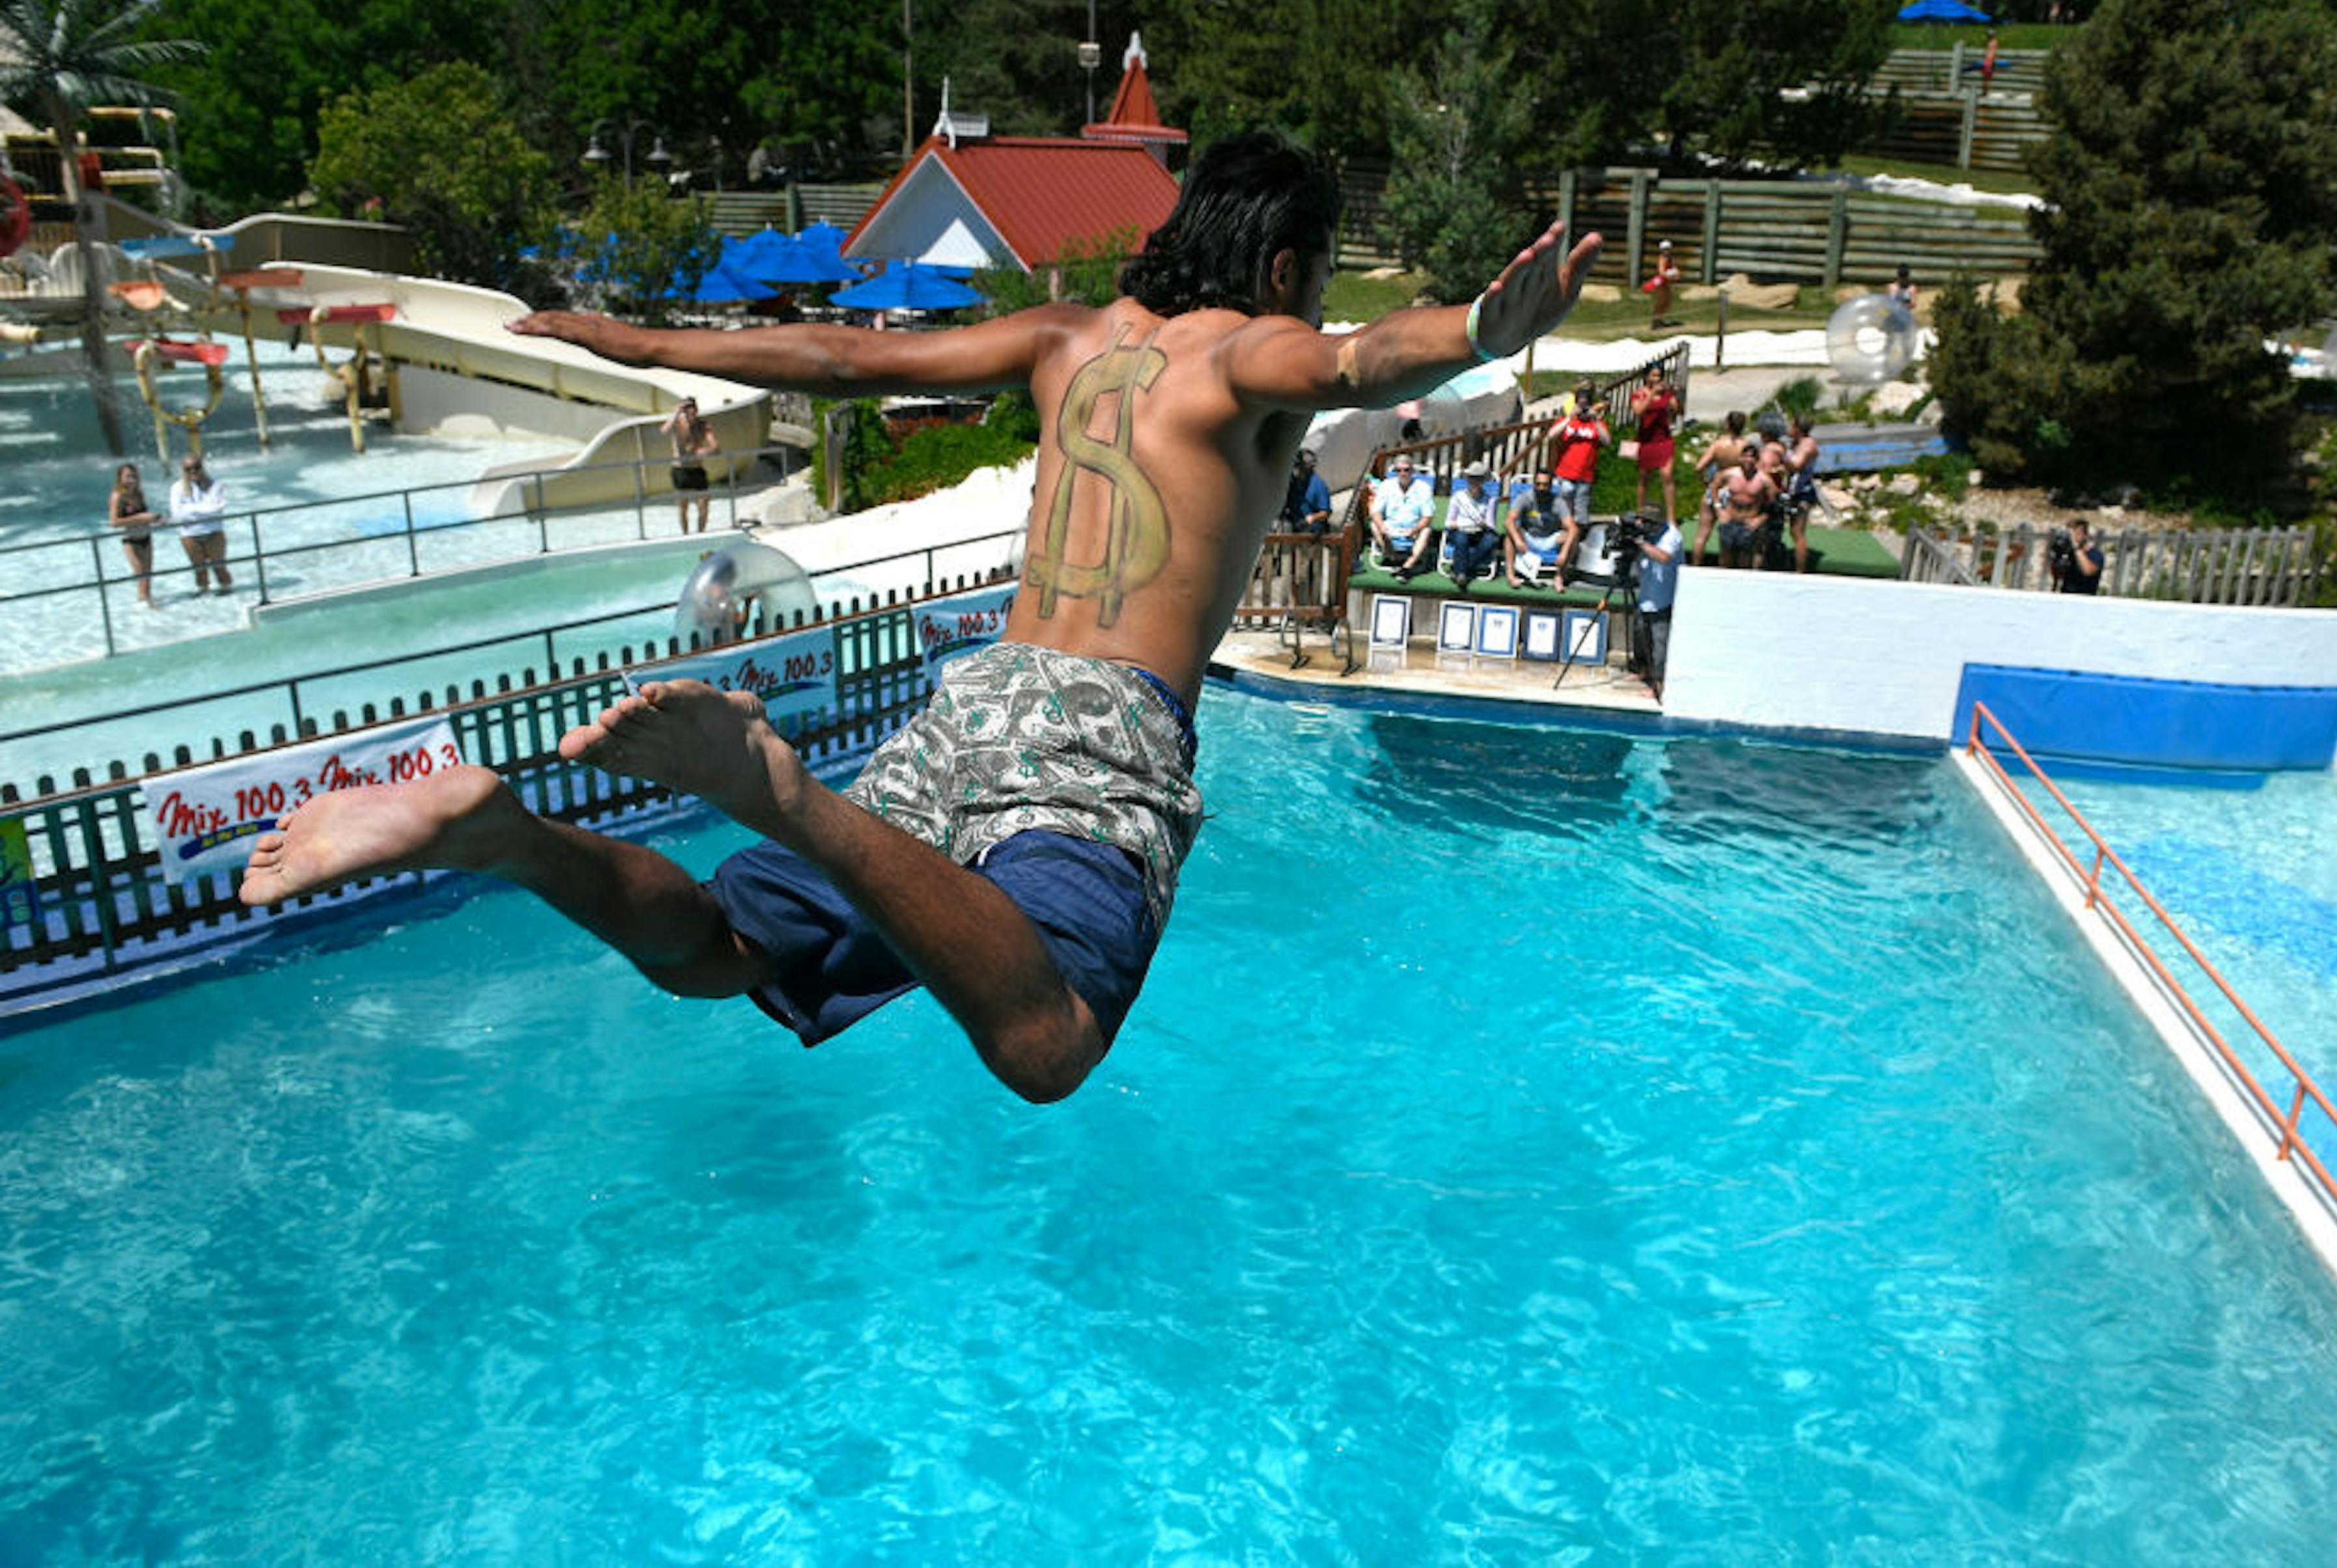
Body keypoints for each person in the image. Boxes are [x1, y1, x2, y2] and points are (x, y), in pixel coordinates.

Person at [235, 131, 1601, 1104]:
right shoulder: (1253, 351)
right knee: (1050, 1039)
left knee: (722, 953)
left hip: (975, 699)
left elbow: (841, 355)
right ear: (1287, 263)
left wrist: (637, 342)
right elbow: (1363, 360)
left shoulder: (1067, 333)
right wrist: (1488, 326)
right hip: (1102, 731)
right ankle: (778, 789)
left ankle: (505, 833)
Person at [1544, 379, 1607, 573]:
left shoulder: (1595, 423)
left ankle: (1569, 560)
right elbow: (1551, 436)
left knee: (1579, 521)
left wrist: (1595, 420)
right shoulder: (1568, 420)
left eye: (1587, 401)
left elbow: (1607, 440)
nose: (1583, 405)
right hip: (1565, 475)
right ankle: (1561, 560)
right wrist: (1569, 418)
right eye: (1581, 401)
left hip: (1585, 478)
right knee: (1565, 519)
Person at [1620, 514, 1683, 699]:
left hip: (1664, 599)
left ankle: (1659, 684)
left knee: (1659, 644)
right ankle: (1643, 670)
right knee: (1641, 635)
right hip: (1646, 597)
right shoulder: (1646, 536)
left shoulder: (1672, 536)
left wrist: (1641, 543)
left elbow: (1663, 557)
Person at [168, 453, 234, 594]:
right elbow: (177, 515)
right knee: (199, 570)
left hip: (213, 532)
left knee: (220, 568)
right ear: (183, 470)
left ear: (202, 468)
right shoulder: (177, 488)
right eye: (188, 469)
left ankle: (227, 591)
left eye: (196, 467)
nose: (193, 471)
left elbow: (217, 508)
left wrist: (189, 509)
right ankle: (203, 594)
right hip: (190, 535)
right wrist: (204, 509)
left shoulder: (215, 485)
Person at [1368, 453, 1436, 580]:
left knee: (1426, 530)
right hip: (1391, 528)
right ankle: (1392, 557)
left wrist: (1415, 530)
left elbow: (1428, 516)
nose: (1403, 474)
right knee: (1374, 525)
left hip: (1413, 528)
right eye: (1399, 470)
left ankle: (1407, 567)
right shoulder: (1386, 486)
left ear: (1413, 471)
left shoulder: (1423, 488)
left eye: (1406, 470)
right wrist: (1382, 527)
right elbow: (1375, 511)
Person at [1693, 411, 1744, 567]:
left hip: (1715, 487)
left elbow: (1699, 467)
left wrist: (1706, 482)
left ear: (1728, 425)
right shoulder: (1745, 446)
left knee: (1703, 533)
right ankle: (1725, 569)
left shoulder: (1718, 445)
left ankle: (1696, 566)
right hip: (1732, 491)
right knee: (1728, 536)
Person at [1629, 364, 1680, 519]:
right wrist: (1651, 395)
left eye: (1659, 376)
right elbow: (1638, 411)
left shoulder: (1665, 394)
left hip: (1664, 439)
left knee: (1667, 475)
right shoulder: (1639, 394)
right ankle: (1640, 512)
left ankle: (1671, 517)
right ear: (1647, 377)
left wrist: (1672, 395)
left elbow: (1677, 410)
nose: (1657, 379)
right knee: (1644, 478)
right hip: (1647, 440)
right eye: (1654, 376)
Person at [1716, 443, 1777, 570]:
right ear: (1740, 458)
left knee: (1745, 561)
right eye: (1745, 456)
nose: (1748, 460)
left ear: (1757, 460)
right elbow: (1714, 486)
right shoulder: (1730, 474)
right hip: (1730, 520)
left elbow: (1775, 503)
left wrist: (1760, 519)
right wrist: (1719, 508)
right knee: (1725, 559)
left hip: (1749, 523)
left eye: (1752, 457)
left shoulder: (1764, 480)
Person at [1443, 459, 1500, 592]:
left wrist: (1483, 524)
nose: (1475, 482)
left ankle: (1460, 569)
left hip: (1479, 532)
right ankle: (1463, 574)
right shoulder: (1458, 497)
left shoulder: (1490, 500)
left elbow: (1491, 525)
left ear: (1483, 481)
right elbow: (1449, 522)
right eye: (1472, 478)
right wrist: (1461, 525)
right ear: (1468, 479)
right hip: (1460, 532)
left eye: (1479, 479)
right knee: (1462, 538)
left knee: (1491, 541)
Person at [1506, 467, 1570, 590]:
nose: (1541, 488)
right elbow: (1509, 521)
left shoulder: (1558, 501)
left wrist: (1564, 553)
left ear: (1551, 486)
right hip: (1529, 537)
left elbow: (1572, 527)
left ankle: (1559, 576)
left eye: (1545, 485)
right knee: (1511, 534)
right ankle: (1511, 576)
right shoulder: (1525, 497)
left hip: (1549, 539)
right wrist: (1518, 541)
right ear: (1534, 484)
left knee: (1571, 536)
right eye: (1538, 484)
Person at [106, 461, 159, 607]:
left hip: (146, 537)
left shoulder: (139, 494)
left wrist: (154, 519)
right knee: (141, 574)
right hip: (131, 540)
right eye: (128, 477)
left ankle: (148, 603)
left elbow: (144, 515)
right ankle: (145, 606)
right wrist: (139, 518)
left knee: (148, 576)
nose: (132, 480)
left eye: (134, 476)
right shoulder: (117, 496)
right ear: (120, 478)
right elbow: (114, 522)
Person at [668, 397, 721, 534]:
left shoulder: (703, 425)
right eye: (687, 408)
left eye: (692, 408)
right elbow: (664, 431)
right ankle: (685, 534)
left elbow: (716, 447)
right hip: (681, 470)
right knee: (683, 507)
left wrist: (706, 451)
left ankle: (701, 532)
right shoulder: (677, 424)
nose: (690, 411)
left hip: (697, 469)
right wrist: (676, 413)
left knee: (704, 506)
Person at [1781, 413, 1821, 574]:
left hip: (1803, 492)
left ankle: (1800, 571)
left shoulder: (1808, 445)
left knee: (1798, 532)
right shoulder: (1796, 443)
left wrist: (1781, 455)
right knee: (1793, 531)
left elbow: (1797, 464)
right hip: (1793, 491)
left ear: (1798, 429)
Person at [1279, 447, 1333, 534]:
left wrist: (1312, 518)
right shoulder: (1293, 483)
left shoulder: (1318, 485)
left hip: (1311, 525)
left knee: (1313, 529)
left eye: (1299, 468)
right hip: (1295, 521)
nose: (1296, 471)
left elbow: (1325, 513)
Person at [2050, 518, 2103, 594]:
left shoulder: (2095, 554)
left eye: (2077, 534)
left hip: (2085, 596)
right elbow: (2057, 575)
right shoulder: (2069, 554)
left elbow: (2088, 572)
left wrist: (2076, 547)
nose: (2073, 537)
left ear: (2086, 536)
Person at [1645, 239, 1681, 328]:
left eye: (1668, 249)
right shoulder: (1663, 259)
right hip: (1661, 282)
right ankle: (1656, 322)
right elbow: (1661, 272)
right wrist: (1671, 275)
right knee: (1662, 302)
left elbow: (1673, 268)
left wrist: (1675, 274)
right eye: (1665, 249)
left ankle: (1659, 320)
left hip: (1666, 282)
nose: (1667, 251)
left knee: (1667, 302)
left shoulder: (1669, 259)